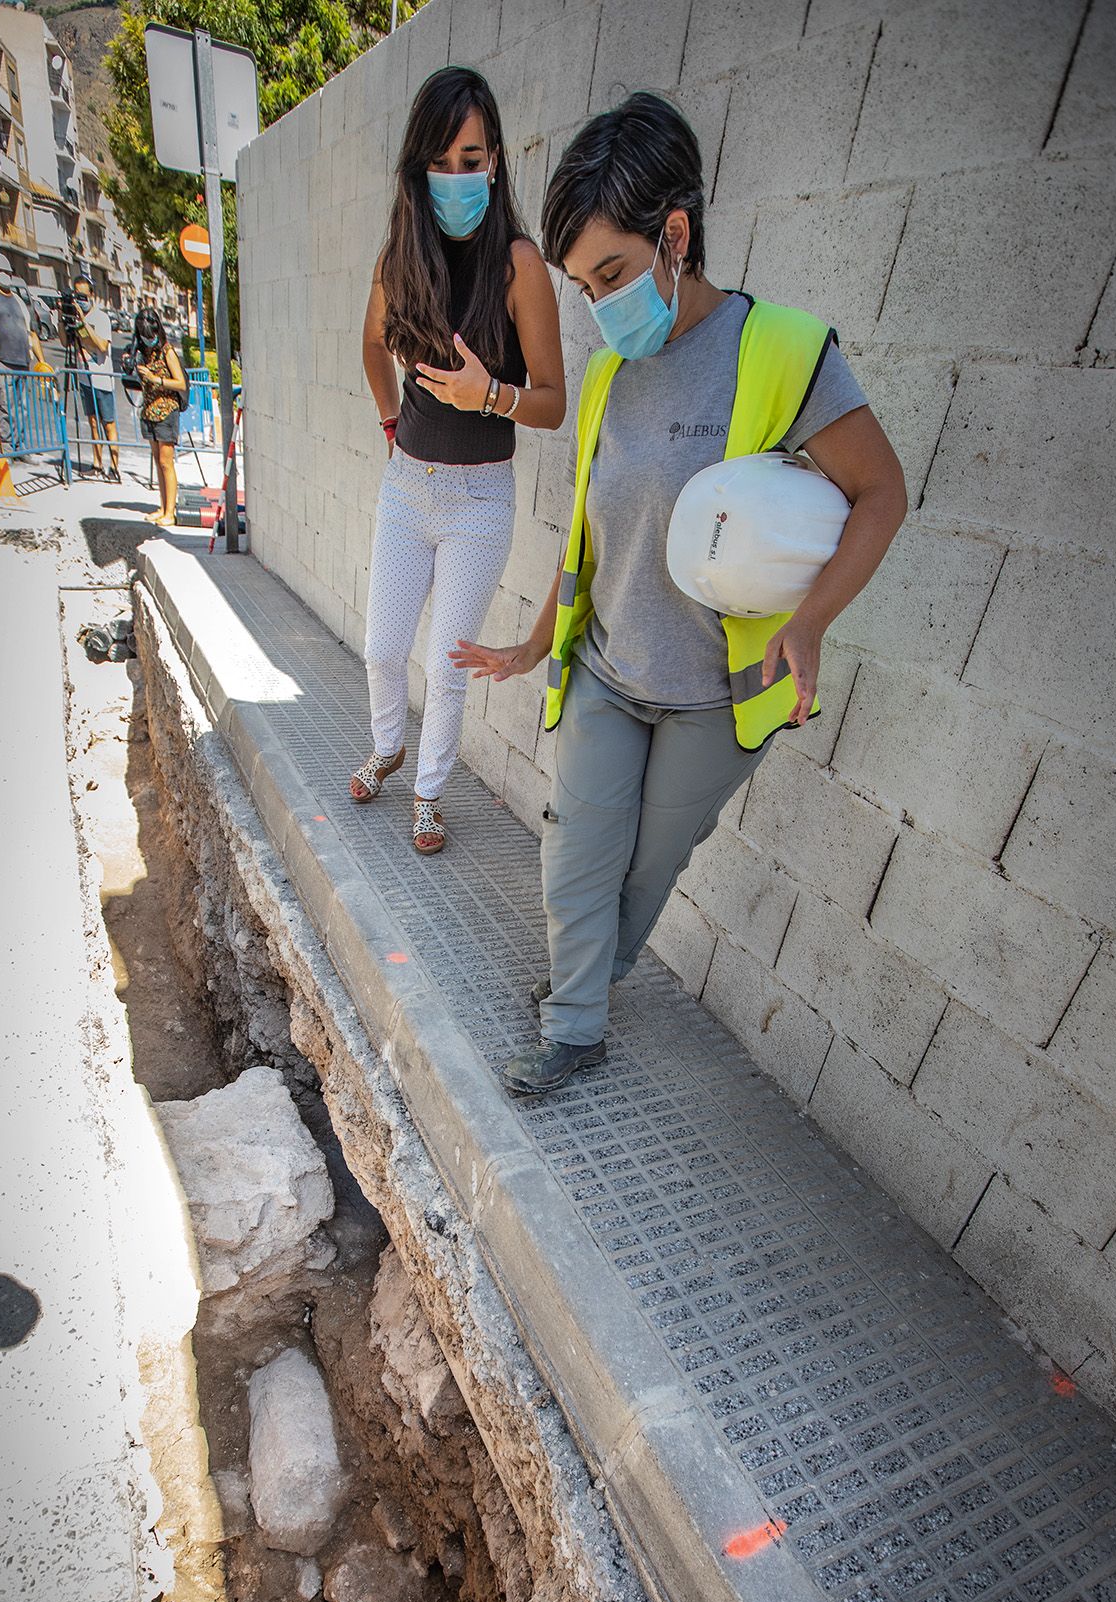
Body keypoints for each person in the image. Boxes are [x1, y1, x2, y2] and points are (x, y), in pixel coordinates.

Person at [452, 94, 907, 1094]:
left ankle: (593, 974)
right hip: (612, 668)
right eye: (580, 286)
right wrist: (535, 642)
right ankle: (578, 1025)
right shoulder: (610, 374)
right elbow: (588, 536)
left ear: (677, 234)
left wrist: (811, 618)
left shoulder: (784, 353)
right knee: (578, 847)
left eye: (610, 274)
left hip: (717, 694)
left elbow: (881, 493)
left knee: (645, 872)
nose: (598, 305)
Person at [355, 65, 565, 855]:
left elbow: (550, 401)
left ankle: (429, 795)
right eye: (439, 162)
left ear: (495, 161)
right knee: (381, 647)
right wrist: (388, 420)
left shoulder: (519, 266)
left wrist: (489, 397)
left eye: (469, 159)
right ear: (417, 169)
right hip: (408, 485)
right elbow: (372, 349)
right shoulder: (399, 257)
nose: (455, 177)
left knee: (446, 667)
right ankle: (387, 746)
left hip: (480, 500)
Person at [0, 252, 47, 454]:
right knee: (5, 406)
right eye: (0, 271)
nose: (4, 275)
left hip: (22, 361)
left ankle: (19, 446)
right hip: (1, 360)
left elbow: (32, 333)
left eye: (7, 272)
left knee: (21, 407)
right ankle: (7, 448)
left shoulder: (18, 300)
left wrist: (42, 362)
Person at [132, 306, 185, 525]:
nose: (148, 340)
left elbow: (180, 382)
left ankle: (170, 512)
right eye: (144, 337)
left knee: (166, 462)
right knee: (157, 461)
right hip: (150, 409)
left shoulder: (167, 351)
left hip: (166, 410)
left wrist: (156, 379)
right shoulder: (143, 352)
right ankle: (163, 507)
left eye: (151, 336)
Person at [71, 274, 120, 481]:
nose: (81, 300)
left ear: (91, 295)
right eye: (77, 296)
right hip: (84, 377)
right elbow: (66, 342)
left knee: (108, 424)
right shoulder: (74, 317)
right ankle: (97, 464)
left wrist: (84, 323)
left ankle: (114, 467)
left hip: (101, 378)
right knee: (92, 422)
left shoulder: (100, 318)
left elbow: (101, 346)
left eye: (84, 296)